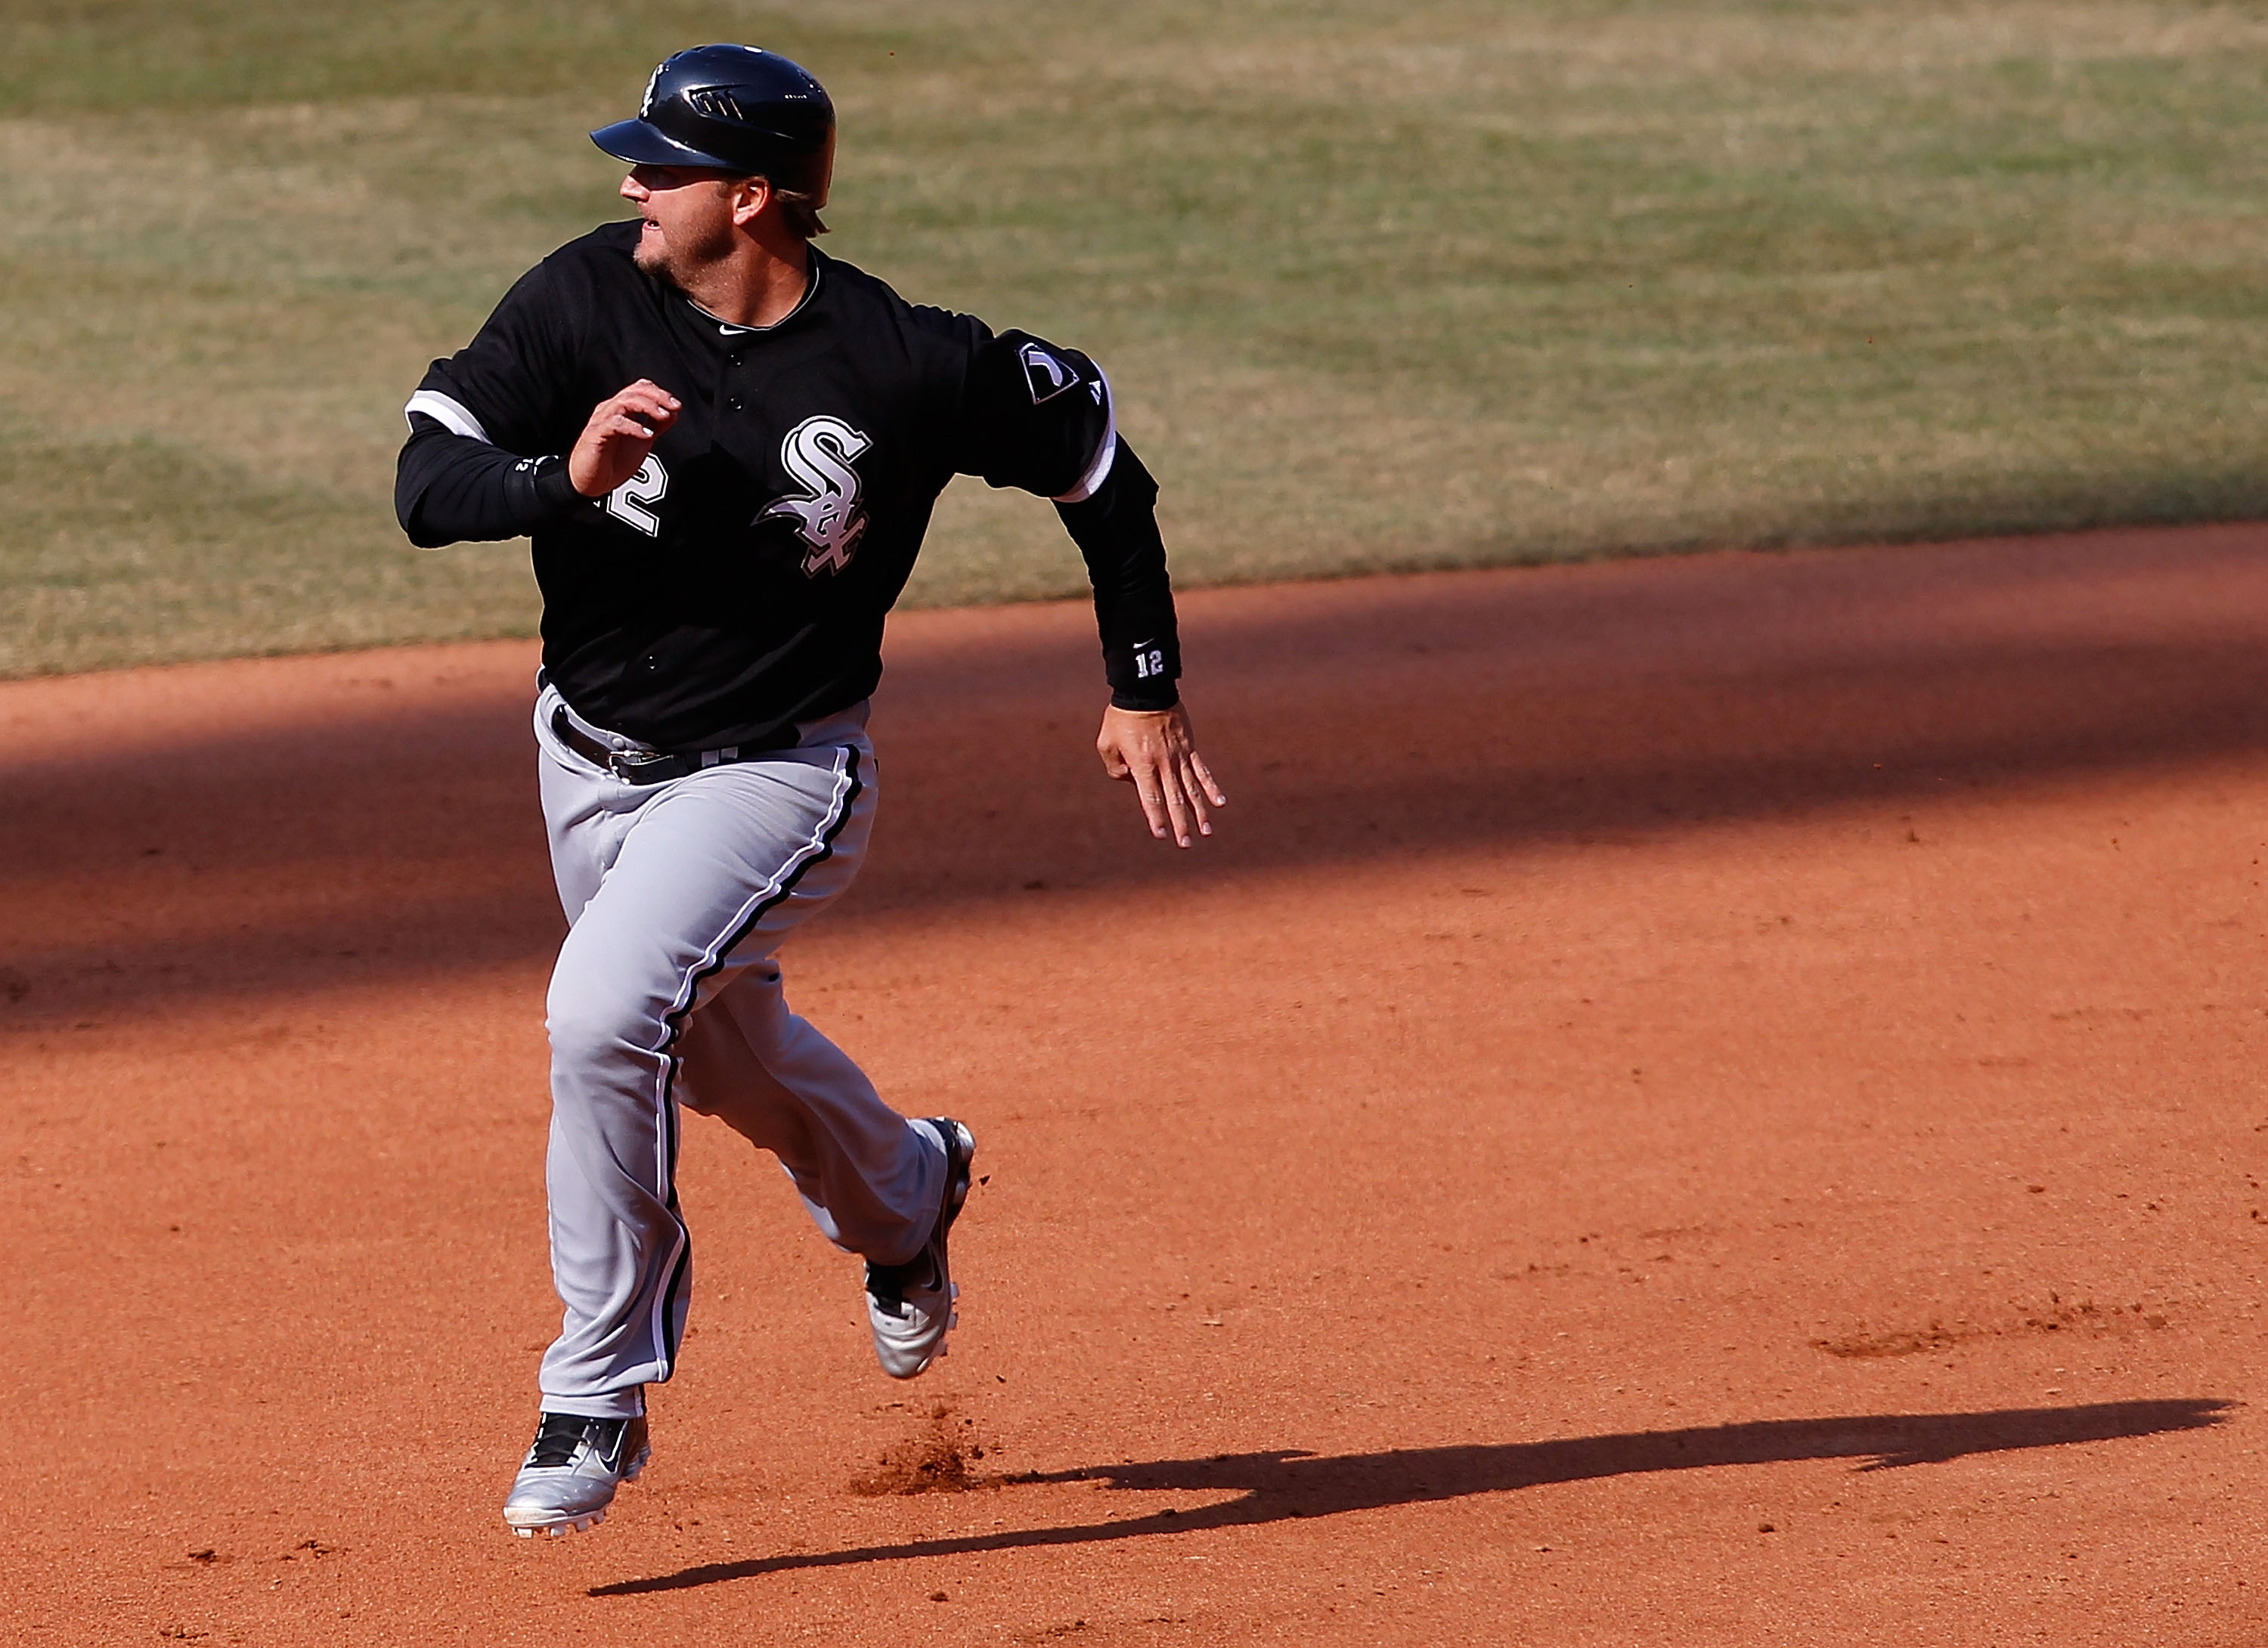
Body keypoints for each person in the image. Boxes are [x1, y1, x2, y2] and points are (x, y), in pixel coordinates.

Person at [392, 43, 1224, 1538]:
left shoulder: (900, 362)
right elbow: (427, 477)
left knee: (601, 1012)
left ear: (757, 197)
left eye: (664, 163)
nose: (631, 183)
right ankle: (909, 1197)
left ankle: (597, 1382)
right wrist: (557, 482)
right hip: (580, 758)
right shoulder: (583, 294)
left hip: (778, 771)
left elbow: (1095, 454)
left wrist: (1142, 683)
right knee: (716, 1053)